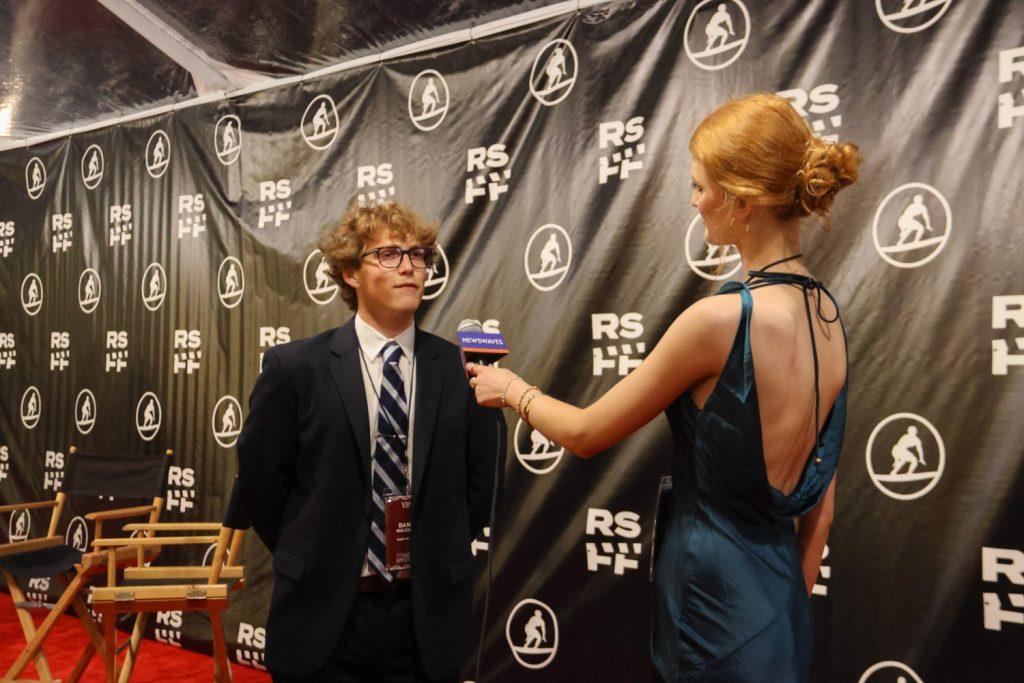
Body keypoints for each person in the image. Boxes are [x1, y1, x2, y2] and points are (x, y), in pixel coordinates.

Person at [468, 93, 860, 682]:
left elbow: (586, 433)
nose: (695, 200)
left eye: (702, 186)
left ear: (745, 201)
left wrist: (511, 389)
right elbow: (822, 511)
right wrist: (783, 612)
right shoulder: (826, 314)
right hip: (780, 608)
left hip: (712, 601)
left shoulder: (720, 320)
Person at [237, 201, 499, 681]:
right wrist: (317, 549)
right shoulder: (294, 369)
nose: (409, 267)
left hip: (426, 616)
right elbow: (259, 485)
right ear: (349, 272)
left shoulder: (463, 370)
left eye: (419, 255)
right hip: (324, 615)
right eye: (389, 254)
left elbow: (481, 489)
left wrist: (434, 549)